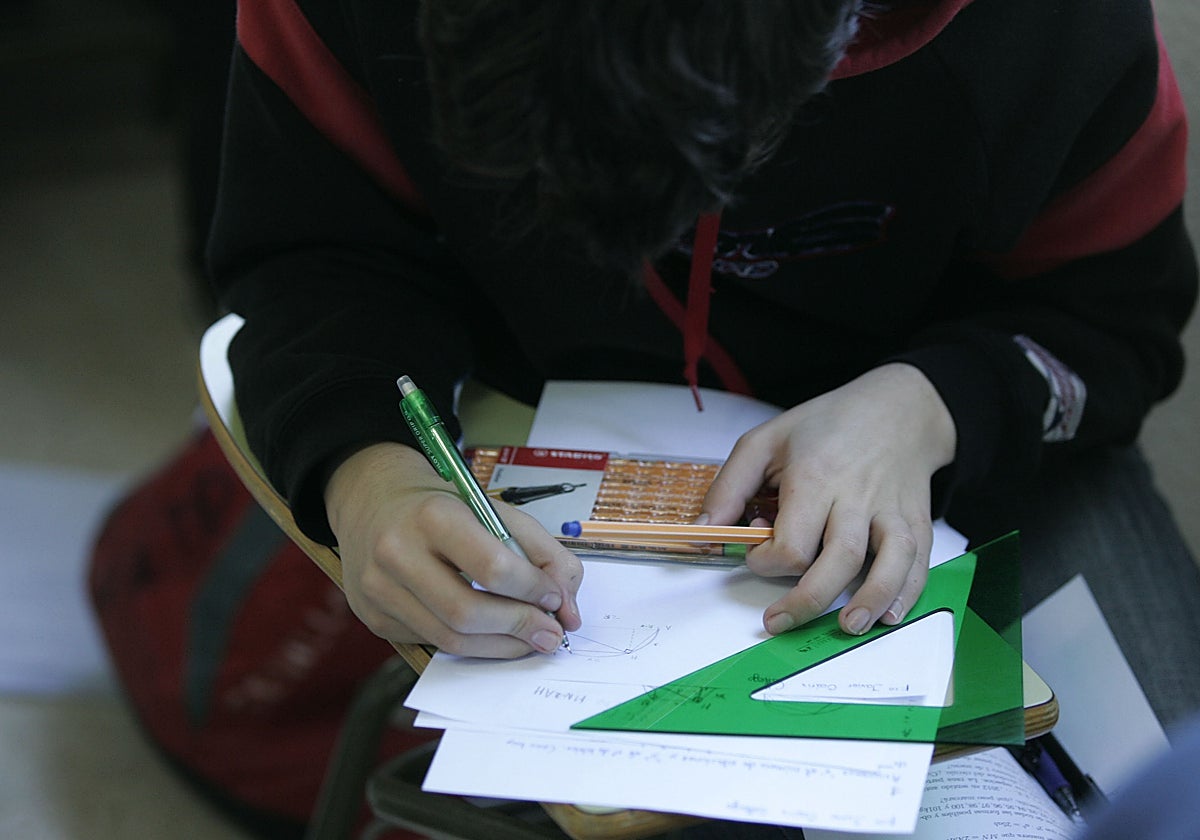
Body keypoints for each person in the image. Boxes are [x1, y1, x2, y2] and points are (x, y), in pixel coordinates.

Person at [208, 0, 1200, 729]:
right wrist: (365, 470)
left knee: (1154, 770)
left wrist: (931, 405)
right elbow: (315, 252)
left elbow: (1116, 322)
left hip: (972, 440)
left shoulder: (1054, 33)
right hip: (521, 418)